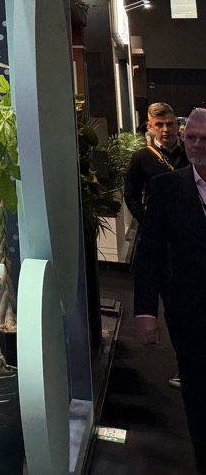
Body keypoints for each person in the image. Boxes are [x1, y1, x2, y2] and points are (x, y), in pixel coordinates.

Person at [135, 107, 206, 473]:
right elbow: (149, 252)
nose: (196, 145)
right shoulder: (166, 188)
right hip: (189, 310)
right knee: (198, 391)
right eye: (191, 138)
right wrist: (145, 312)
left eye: (204, 139)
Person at [126, 102, 187, 224]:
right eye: (159, 124)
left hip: (189, 227)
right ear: (150, 126)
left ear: (176, 124)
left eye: (169, 124)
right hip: (156, 226)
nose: (166, 129)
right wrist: (147, 222)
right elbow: (131, 196)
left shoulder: (190, 153)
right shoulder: (141, 157)